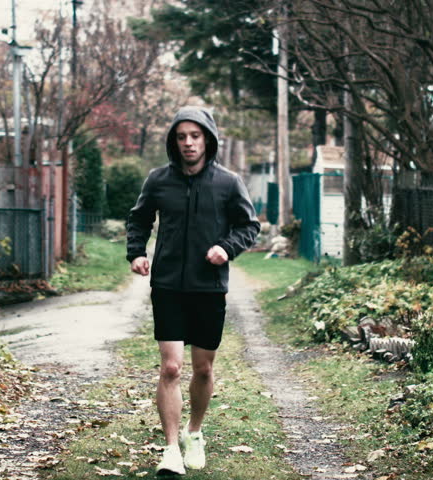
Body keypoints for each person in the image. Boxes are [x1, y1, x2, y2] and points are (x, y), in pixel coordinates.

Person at [126, 106, 260, 475]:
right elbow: (139, 218)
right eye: (182, 136)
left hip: (208, 287)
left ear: (208, 139)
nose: (188, 143)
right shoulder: (158, 180)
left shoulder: (228, 183)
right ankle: (170, 450)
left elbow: (249, 226)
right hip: (167, 284)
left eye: (195, 136)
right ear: (174, 140)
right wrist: (136, 252)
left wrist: (226, 248)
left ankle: (194, 433)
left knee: (202, 368)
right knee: (170, 367)